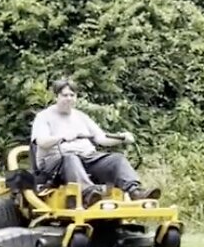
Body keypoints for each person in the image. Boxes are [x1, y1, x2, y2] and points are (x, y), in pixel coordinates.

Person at [31, 78, 162, 207]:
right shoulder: (44, 117)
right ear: (56, 97)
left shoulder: (81, 116)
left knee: (117, 159)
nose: (69, 98)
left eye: (72, 95)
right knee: (71, 158)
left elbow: (101, 138)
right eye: (65, 95)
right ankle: (89, 194)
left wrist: (121, 138)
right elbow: (42, 142)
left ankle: (135, 192)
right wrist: (61, 137)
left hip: (87, 157)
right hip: (57, 162)